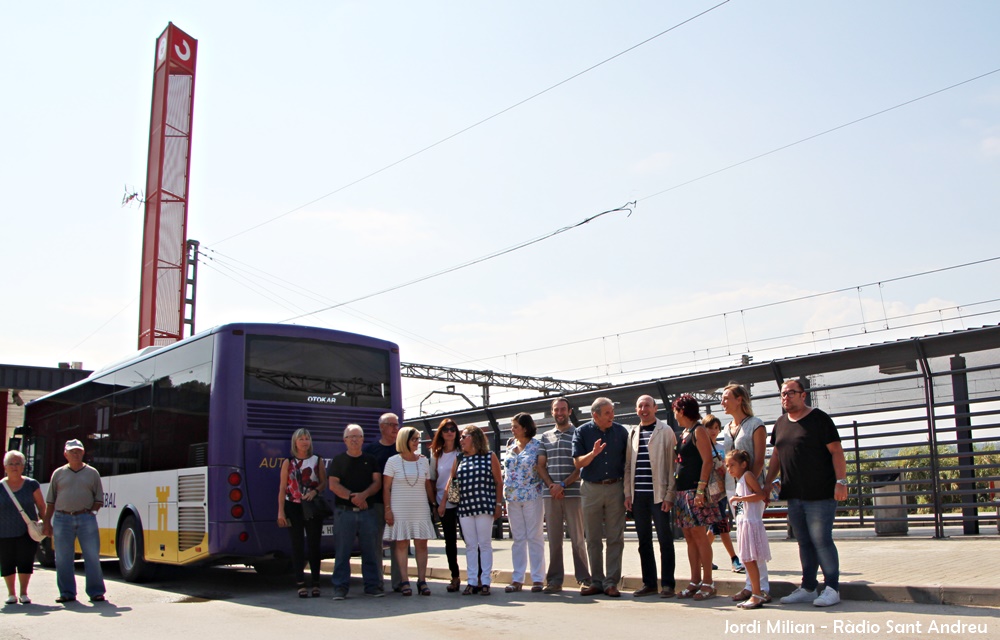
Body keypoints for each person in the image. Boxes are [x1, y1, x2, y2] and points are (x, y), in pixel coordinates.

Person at [765, 379, 848, 608]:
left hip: (820, 493)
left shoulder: (819, 419)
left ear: (803, 395)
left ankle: (832, 587)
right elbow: (775, 457)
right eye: (783, 394)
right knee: (803, 542)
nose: (786, 397)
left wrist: (841, 482)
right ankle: (809, 587)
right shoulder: (781, 423)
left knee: (821, 540)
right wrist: (766, 484)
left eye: (791, 393)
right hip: (794, 495)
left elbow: (836, 451)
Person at [572, 397, 628, 597]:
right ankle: (596, 581)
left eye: (612, 411)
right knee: (593, 538)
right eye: (607, 413)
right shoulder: (582, 432)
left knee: (615, 537)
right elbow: (578, 463)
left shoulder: (621, 432)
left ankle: (611, 582)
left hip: (615, 487)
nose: (612, 416)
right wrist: (593, 454)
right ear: (595, 415)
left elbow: (628, 463)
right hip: (591, 489)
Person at [720, 383, 771, 602]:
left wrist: (749, 484)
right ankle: (751, 586)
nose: (723, 402)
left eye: (726, 398)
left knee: (753, 535)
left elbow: (759, 458)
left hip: (749, 488)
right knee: (743, 536)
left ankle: (763, 587)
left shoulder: (756, 425)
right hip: (733, 490)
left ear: (740, 399)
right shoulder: (726, 427)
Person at [624, 395, 677, 598]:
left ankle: (668, 585)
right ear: (636, 410)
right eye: (640, 406)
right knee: (643, 541)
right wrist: (627, 494)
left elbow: (673, 465)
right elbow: (628, 465)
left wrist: (669, 494)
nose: (644, 409)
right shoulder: (633, 433)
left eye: (647, 405)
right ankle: (649, 583)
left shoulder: (666, 431)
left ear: (655, 408)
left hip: (659, 495)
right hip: (639, 497)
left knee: (665, 539)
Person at [41, 439, 106, 603]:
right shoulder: (58, 473)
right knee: (63, 557)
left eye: (78, 451)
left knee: (91, 556)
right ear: (65, 454)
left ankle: (96, 591)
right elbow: (50, 501)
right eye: (72, 451)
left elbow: (99, 498)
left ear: (83, 453)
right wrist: (47, 523)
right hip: (62, 518)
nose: (75, 454)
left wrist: (92, 513)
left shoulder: (92, 473)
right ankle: (67, 593)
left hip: (86, 518)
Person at [671, 395, 723, 601]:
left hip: (695, 491)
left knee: (700, 536)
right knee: (689, 537)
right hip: (682, 492)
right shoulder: (684, 433)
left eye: (675, 410)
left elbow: (707, 461)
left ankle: (708, 583)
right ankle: (694, 581)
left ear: (682, 411)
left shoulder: (698, 430)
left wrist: (701, 489)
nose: (674, 415)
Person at [537, 397, 589, 593]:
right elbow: (541, 465)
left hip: (573, 493)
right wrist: (552, 485)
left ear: (569, 411)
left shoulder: (579, 434)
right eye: (556, 409)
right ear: (552, 412)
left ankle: (584, 578)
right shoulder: (545, 437)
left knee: (577, 538)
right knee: (554, 539)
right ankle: (554, 580)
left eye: (563, 409)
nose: (560, 413)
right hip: (550, 495)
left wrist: (562, 485)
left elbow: (580, 466)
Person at [444, 425, 502, 595]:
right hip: (465, 508)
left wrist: (498, 505)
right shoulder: (459, 458)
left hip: (484, 506)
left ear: (475, 438)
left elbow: (498, 482)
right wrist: (443, 502)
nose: (460, 440)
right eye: (461, 437)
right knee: (470, 545)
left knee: (484, 544)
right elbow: (452, 480)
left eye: (464, 436)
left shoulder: (490, 457)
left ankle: (485, 581)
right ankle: (471, 581)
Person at [328, 424, 383, 600]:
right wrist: (353, 497)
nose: (354, 439)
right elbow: (333, 485)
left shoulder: (371, 459)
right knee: (342, 552)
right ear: (345, 440)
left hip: (368, 513)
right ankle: (340, 588)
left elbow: (377, 483)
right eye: (351, 436)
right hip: (345, 513)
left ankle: (372, 586)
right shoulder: (338, 460)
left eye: (358, 436)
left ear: (362, 439)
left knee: (370, 551)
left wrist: (364, 495)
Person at [383, 426, 437, 596]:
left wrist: (433, 503)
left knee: (422, 543)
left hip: (420, 507)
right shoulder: (392, 461)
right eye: (414, 439)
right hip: (399, 507)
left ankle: (422, 581)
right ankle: (404, 581)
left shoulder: (423, 460)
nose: (417, 442)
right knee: (401, 543)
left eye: (418, 439)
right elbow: (386, 488)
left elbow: (428, 484)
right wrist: (388, 510)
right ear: (404, 440)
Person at [276, 428, 327, 597]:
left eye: (307, 438)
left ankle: (316, 583)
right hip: (293, 506)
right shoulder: (288, 463)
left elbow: (323, 482)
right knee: (297, 545)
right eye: (301, 439)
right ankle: (300, 583)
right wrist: (281, 512)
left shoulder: (317, 460)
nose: (305, 441)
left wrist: (315, 492)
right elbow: (283, 488)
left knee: (314, 544)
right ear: (295, 442)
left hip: (311, 505)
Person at [503, 412, 546, 593]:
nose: (512, 430)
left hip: (532, 496)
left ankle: (537, 578)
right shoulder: (510, 446)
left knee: (534, 537)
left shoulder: (538, 446)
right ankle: (517, 578)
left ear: (526, 428)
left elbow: (542, 468)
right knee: (518, 538)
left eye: (515, 427)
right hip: (512, 499)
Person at [726, 449, 771, 610]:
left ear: (743, 464)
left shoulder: (747, 477)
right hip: (743, 523)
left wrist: (740, 498)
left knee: (750, 559)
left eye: (732, 465)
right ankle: (756, 592)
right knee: (748, 560)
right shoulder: (739, 480)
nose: (729, 469)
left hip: (750, 522)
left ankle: (757, 593)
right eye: (727, 466)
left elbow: (760, 495)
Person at [364, 412, 402, 591]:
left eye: (397, 424)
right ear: (381, 427)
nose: (396, 428)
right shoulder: (370, 450)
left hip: (399, 502)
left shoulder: (403, 449)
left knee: (399, 544)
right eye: (392, 424)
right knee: (375, 544)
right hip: (376, 503)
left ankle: (399, 583)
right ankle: (377, 582)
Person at [1, 450, 46, 604]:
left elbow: (41, 505)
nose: (14, 466)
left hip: (27, 531)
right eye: (11, 464)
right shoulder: (0, 486)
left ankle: (23, 593)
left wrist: (45, 523)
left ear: (23, 467)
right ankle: (11, 594)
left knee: (25, 561)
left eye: (18, 463)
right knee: (7, 562)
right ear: (5, 467)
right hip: (4, 531)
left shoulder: (31, 484)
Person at [703, 414, 742, 579]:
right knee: (722, 524)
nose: (713, 431)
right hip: (709, 493)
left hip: (723, 491)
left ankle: (703, 556)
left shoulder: (722, 447)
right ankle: (734, 559)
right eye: (710, 427)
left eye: (716, 428)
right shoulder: (702, 448)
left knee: (715, 527)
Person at [429, 418, 462, 592]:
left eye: (453, 429)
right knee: (450, 541)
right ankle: (454, 576)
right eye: (446, 429)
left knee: (471, 540)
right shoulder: (436, 454)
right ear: (441, 433)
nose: (450, 432)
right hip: (444, 503)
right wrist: (435, 503)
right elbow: (433, 480)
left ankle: (477, 577)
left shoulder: (462, 451)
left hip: (463, 501)